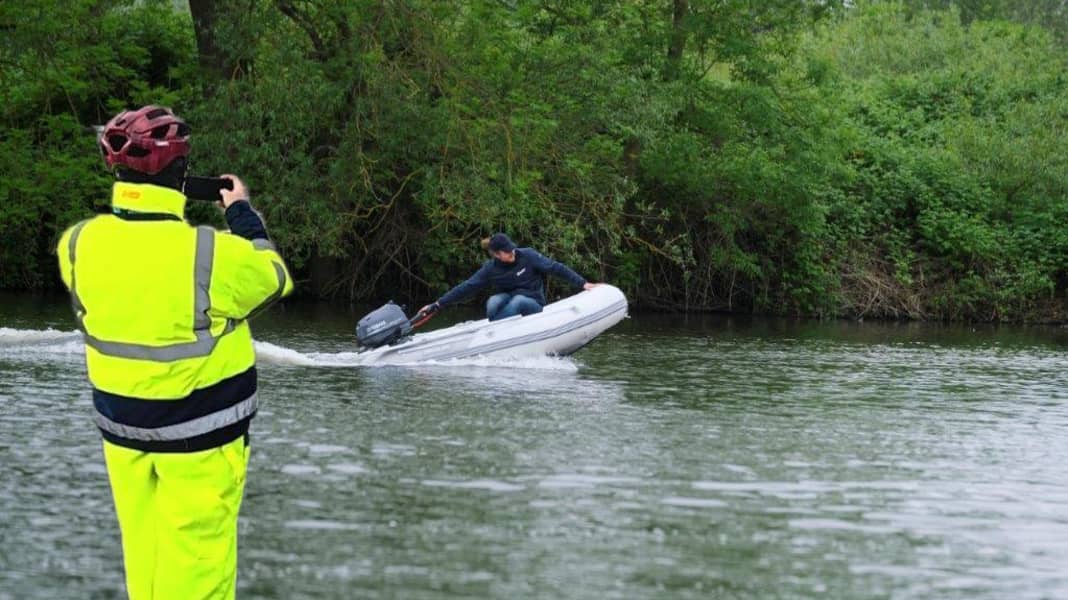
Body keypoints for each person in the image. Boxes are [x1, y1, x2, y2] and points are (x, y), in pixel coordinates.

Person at [56, 105, 293, 600]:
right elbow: (273, 277)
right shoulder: (211, 254)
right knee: (199, 569)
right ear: (181, 174)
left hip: (122, 431)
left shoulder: (77, 244)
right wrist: (241, 213)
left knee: (144, 561)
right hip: (201, 438)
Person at [420, 233, 598, 321]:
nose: (512, 252)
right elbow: (467, 287)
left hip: (533, 302)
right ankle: (500, 331)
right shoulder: (490, 269)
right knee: (492, 303)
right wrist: (438, 304)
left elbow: (555, 267)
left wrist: (582, 283)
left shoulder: (527, 255)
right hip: (509, 300)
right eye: (506, 251)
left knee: (518, 301)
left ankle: (496, 331)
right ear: (496, 255)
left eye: (511, 247)